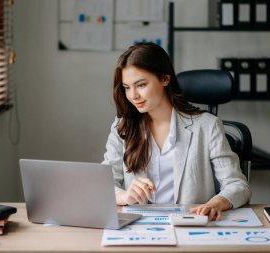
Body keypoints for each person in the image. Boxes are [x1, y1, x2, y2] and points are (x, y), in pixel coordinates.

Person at [102, 42, 251, 221]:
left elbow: (238, 184)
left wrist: (214, 204)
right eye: (127, 87)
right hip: (139, 225)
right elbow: (104, 183)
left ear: (165, 79)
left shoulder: (207, 125)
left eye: (141, 85)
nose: (133, 95)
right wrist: (124, 196)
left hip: (189, 225)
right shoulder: (123, 126)